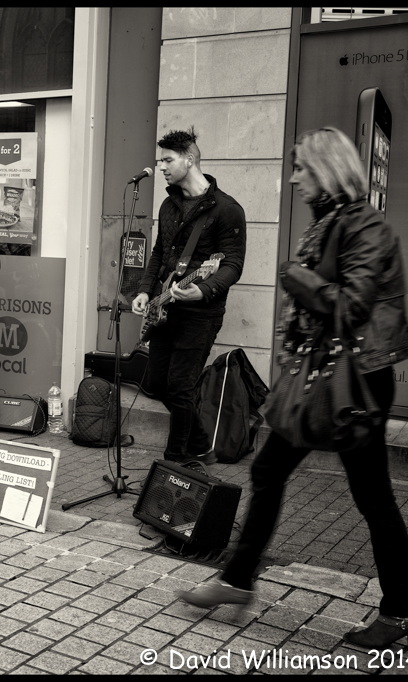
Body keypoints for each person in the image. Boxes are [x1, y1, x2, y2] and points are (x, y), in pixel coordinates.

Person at [177, 127, 408, 649]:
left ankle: (401, 609)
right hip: (319, 376)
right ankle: (237, 580)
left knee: (373, 496)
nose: (293, 179)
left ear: (327, 170)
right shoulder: (331, 223)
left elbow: (352, 306)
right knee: (268, 470)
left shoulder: (364, 225)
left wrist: (296, 277)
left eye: (302, 168)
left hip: (351, 385)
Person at [131, 127, 246, 468]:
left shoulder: (227, 209)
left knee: (181, 387)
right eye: (161, 161)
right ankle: (200, 446)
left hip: (200, 313)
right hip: (165, 307)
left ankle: (175, 463)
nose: (161, 167)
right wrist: (145, 291)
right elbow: (159, 253)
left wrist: (204, 290)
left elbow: (233, 264)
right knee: (158, 384)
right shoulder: (169, 205)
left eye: (168, 160)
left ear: (190, 159)